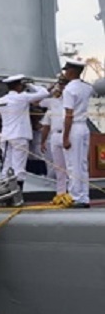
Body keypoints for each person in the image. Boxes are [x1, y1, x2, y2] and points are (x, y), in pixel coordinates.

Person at [0, 74, 50, 190]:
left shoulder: (1, 100)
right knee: (19, 166)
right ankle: (18, 193)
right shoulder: (22, 97)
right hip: (20, 136)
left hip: (5, 137)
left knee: (6, 165)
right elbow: (44, 93)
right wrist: (31, 85)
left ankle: (5, 191)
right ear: (19, 85)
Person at [61, 59, 94, 208]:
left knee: (73, 165)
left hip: (74, 127)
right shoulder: (86, 88)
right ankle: (84, 195)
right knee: (82, 164)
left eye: (66, 70)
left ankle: (75, 196)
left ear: (71, 71)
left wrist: (65, 137)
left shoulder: (69, 90)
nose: (65, 73)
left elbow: (69, 115)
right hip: (84, 128)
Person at [40, 78, 67, 202]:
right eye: (60, 84)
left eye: (64, 84)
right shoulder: (52, 102)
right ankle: (61, 193)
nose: (61, 87)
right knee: (58, 167)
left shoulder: (73, 100)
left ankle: (75, 194)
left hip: (70, 134)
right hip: (55, 135)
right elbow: (36, 101)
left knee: (71, 166)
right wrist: (49, 89)